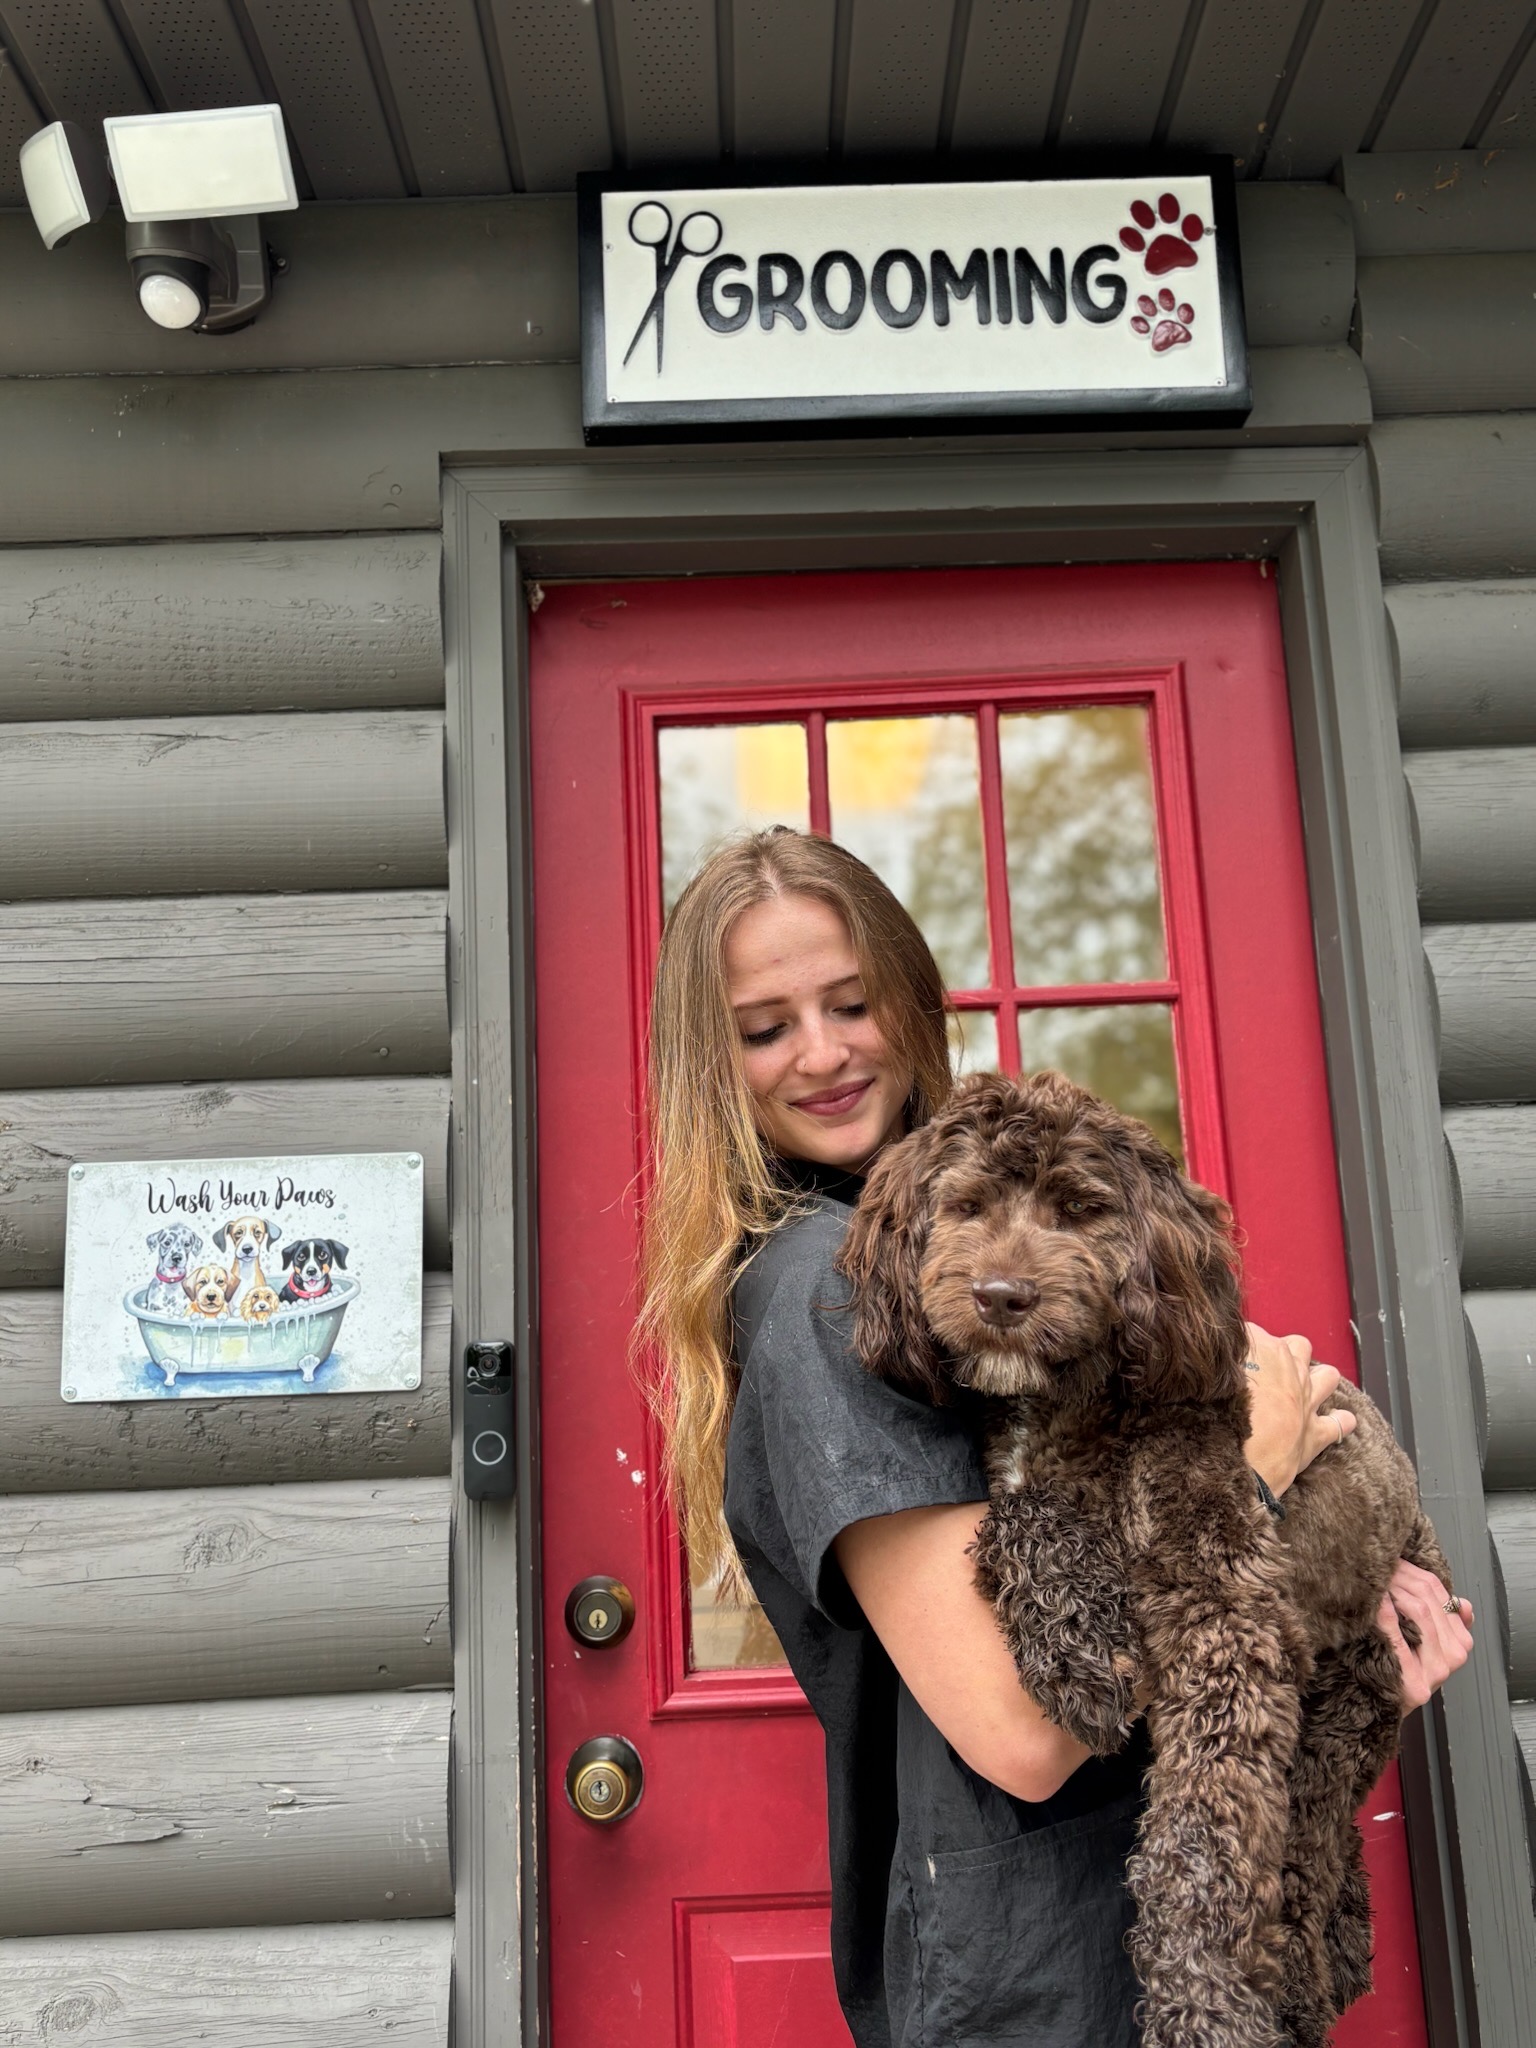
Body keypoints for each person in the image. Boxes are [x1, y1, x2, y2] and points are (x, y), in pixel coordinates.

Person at [637, 826, 1473, 2048]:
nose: (821, 1053)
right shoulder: (826, 1291)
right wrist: (1262, 1467)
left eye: (852, 1003)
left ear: (914, 1002)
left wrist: (1337, 1591)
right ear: (712, 1061)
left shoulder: (938, 1241)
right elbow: (1023, 1730)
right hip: (1054, 1976)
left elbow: (1127, 1500)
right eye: (765, 1026)